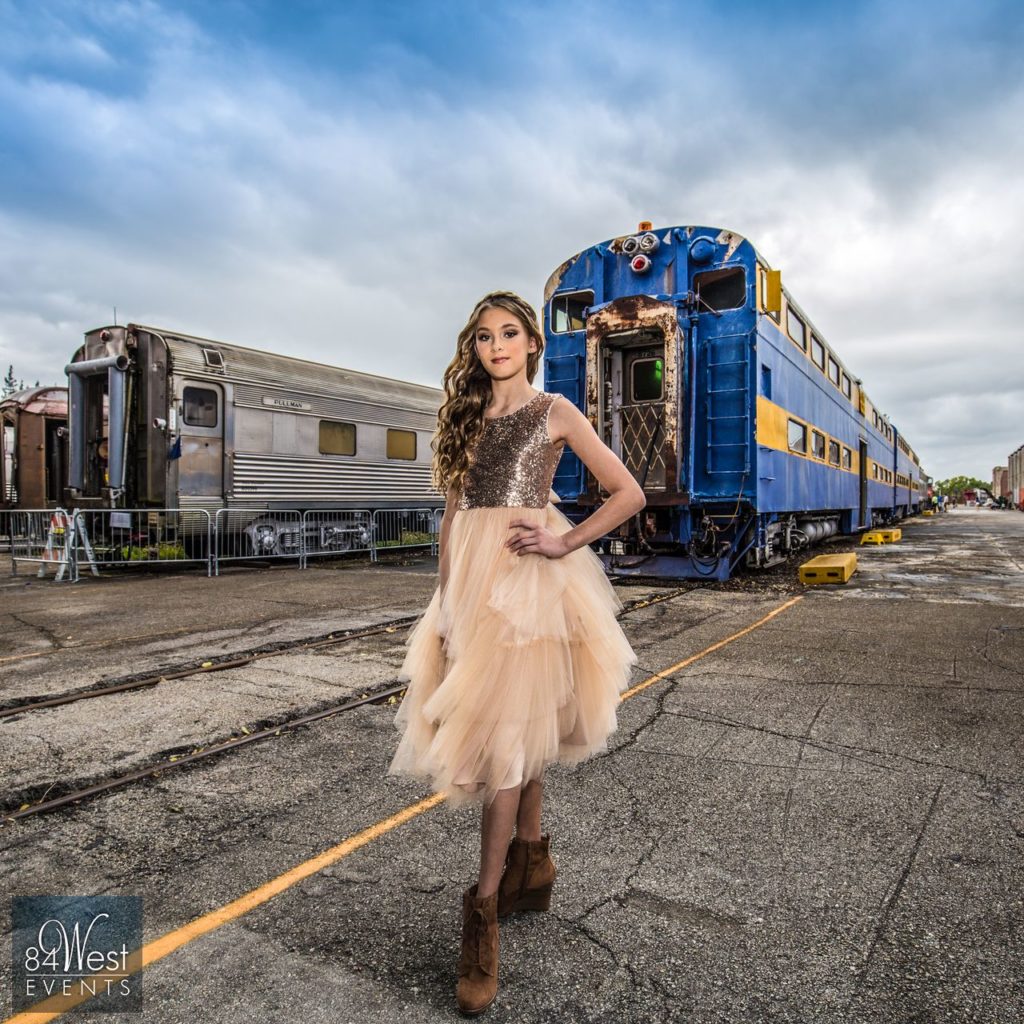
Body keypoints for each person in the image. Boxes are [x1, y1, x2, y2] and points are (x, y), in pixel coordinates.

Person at [388, 290, 645, 1015]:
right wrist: (442, 608)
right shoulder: (468, 417)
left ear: (532, 343)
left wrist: (563, 539)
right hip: (470, 588)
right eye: (482, 337)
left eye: (508, 333)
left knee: (505, 746)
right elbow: (450, 522)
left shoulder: (555, 412)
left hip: (530, 585)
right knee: (516, 728)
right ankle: (532, 860)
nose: (495, 346)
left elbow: (626, 493)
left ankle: (485, 911)